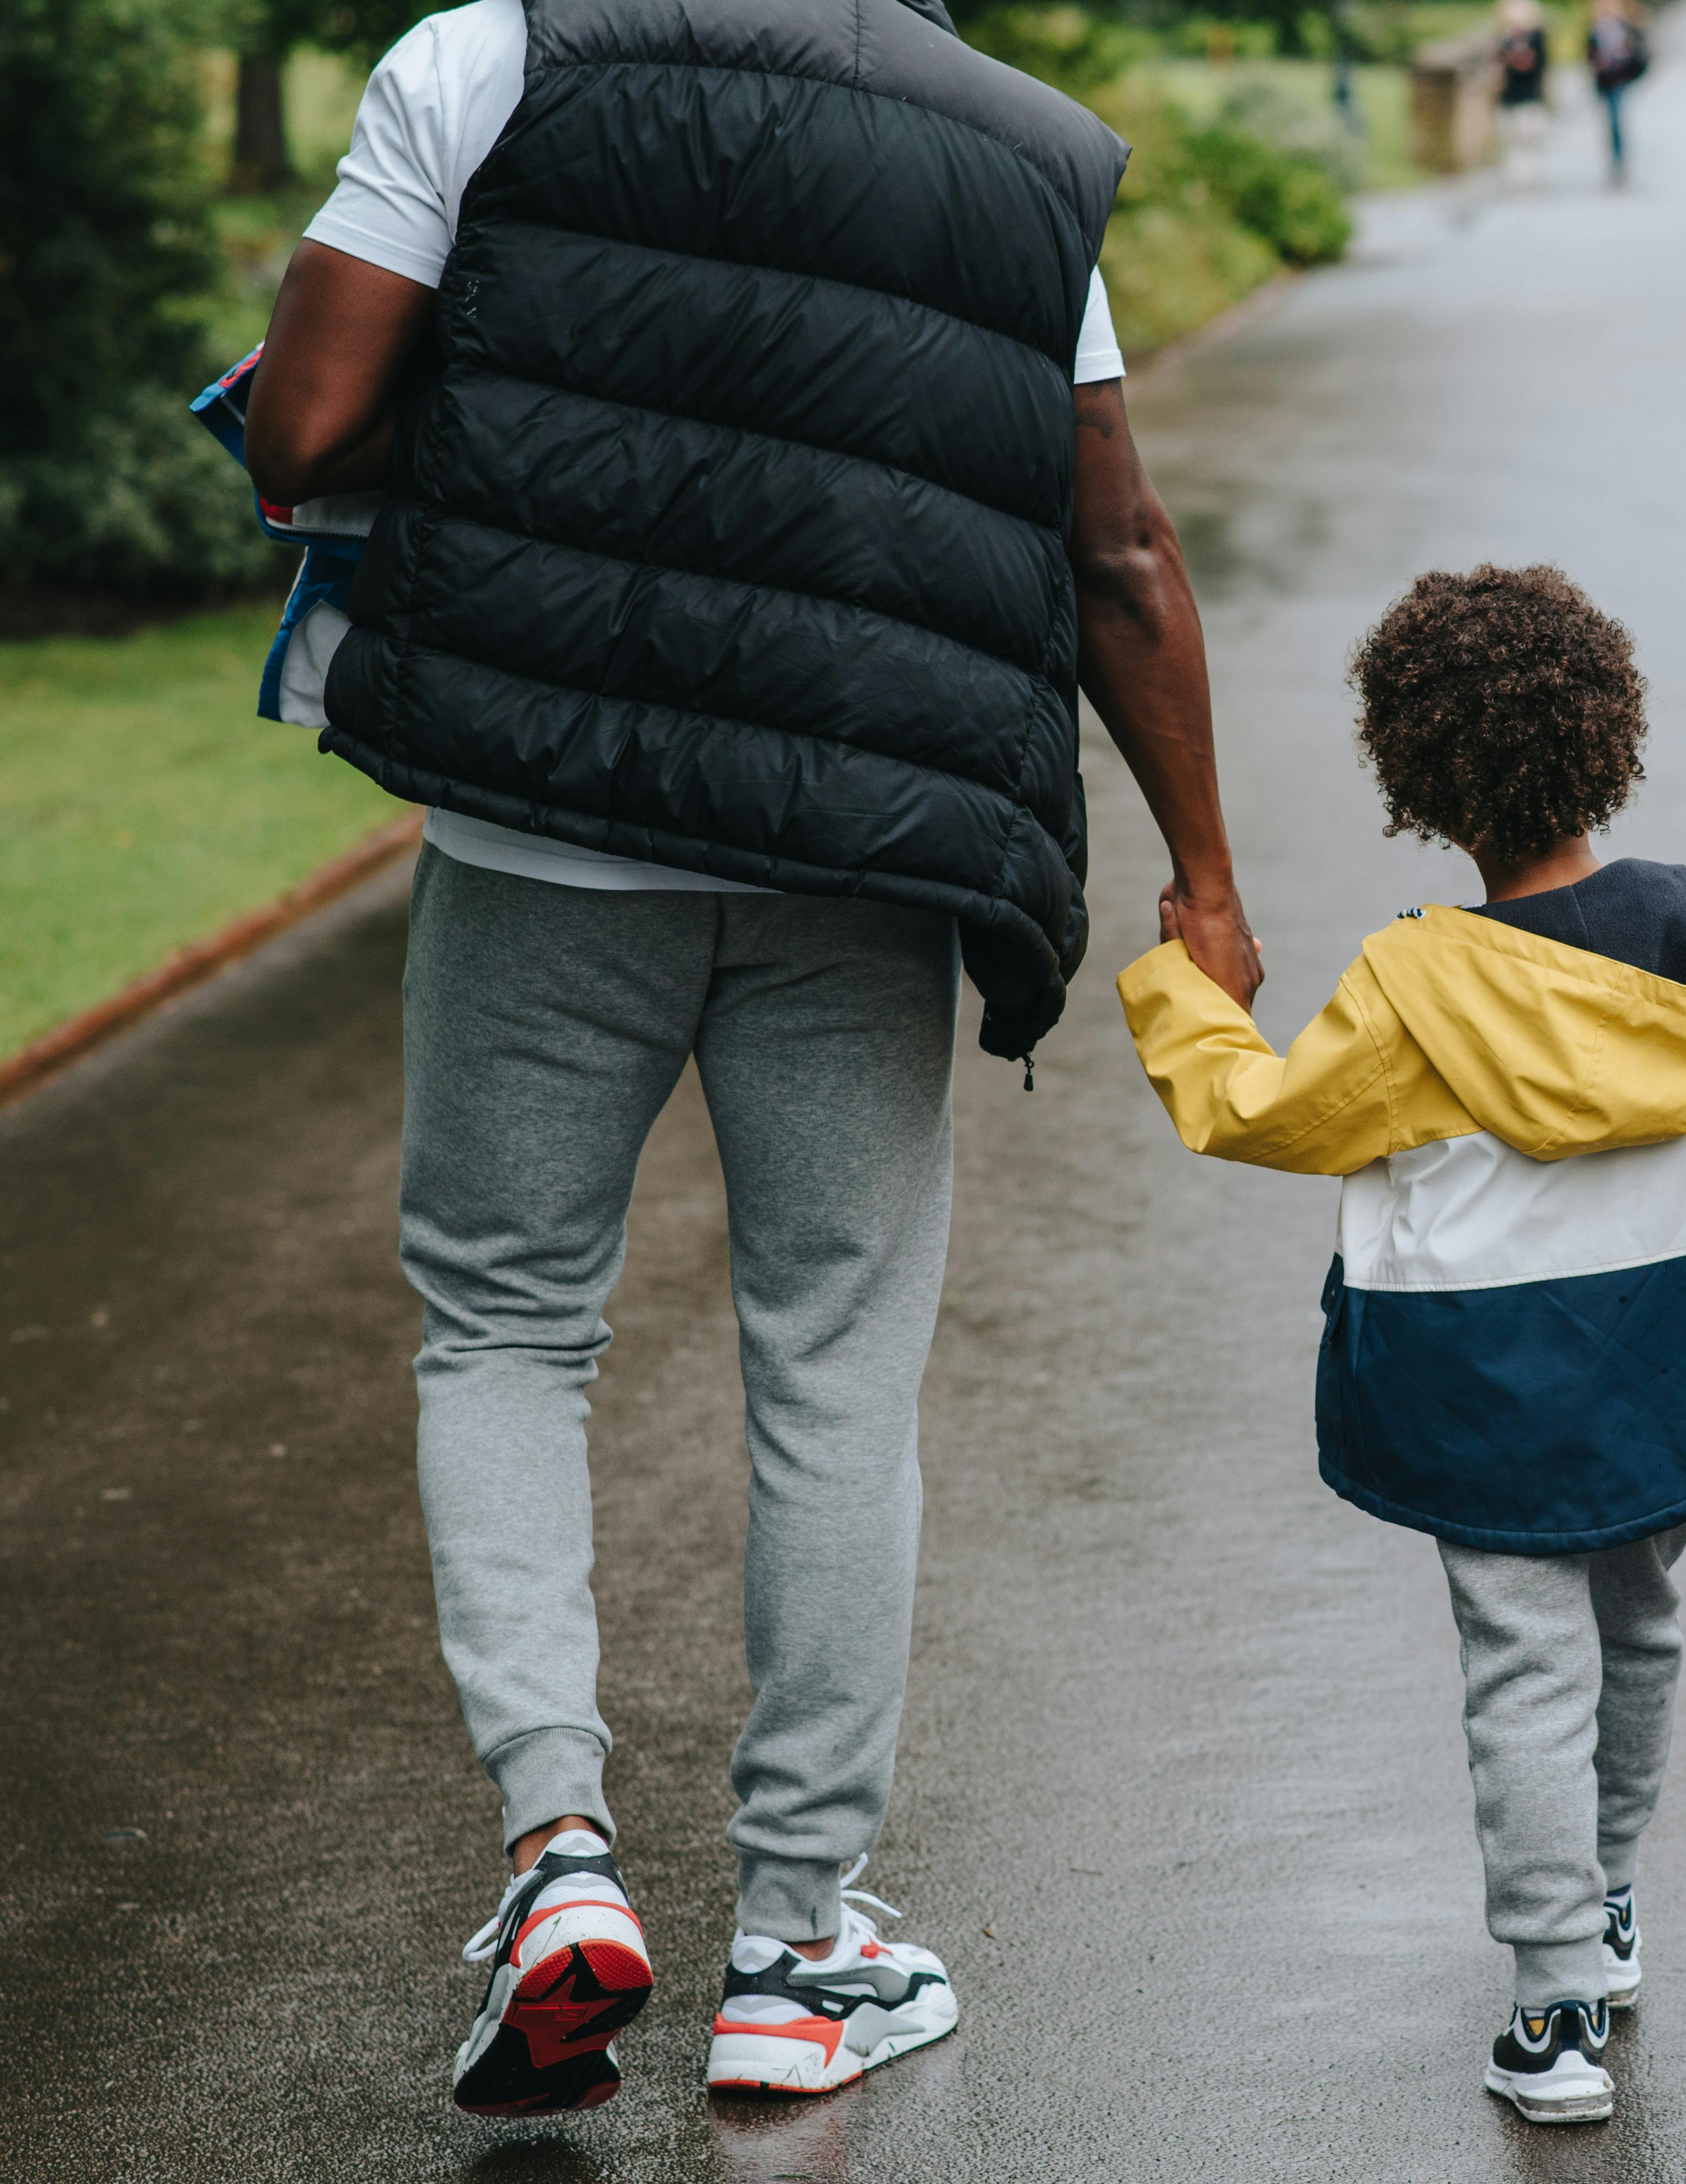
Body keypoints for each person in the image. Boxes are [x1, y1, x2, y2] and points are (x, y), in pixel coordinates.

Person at [240, 0, 1261, 2118]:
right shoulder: (1017, 152)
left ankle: (556, 1861)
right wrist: (1206, 878)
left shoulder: (488, 60)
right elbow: (1114, 547)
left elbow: (306, 428)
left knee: (506, 1328)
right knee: (832, 1356)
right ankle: (798, 1950)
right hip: (858, 854)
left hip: (540, 829)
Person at [1113, 566, 1686, 2125]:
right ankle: (1605, 1898)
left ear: (1417, 780)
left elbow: (1264, 1115)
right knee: (1638, 1623)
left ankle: (1553, 2000)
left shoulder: (1416, 981)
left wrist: (1185, 993)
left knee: (1519, 1668)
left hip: (1480, 1379)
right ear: (1607, 737)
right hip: (1666, 1347)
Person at [1585, 0, 1648, 184]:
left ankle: (1619, 159)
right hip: (1605, 82)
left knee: (1615, 120)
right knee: (1610, 122)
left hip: (1620, 80)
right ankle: (1615, 159)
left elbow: (1637, 49)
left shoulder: (1624, 28)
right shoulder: (1596, 30)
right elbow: (1589, 54)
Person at [1494, 0, 1552, 182]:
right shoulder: (1504, 40)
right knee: (1512, 136)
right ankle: (1517, 172)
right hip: (1510, 94)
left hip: (1530, 94)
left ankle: (1533, 170)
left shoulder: (1536, 38)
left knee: (1530, 135)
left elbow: (1540, 65)